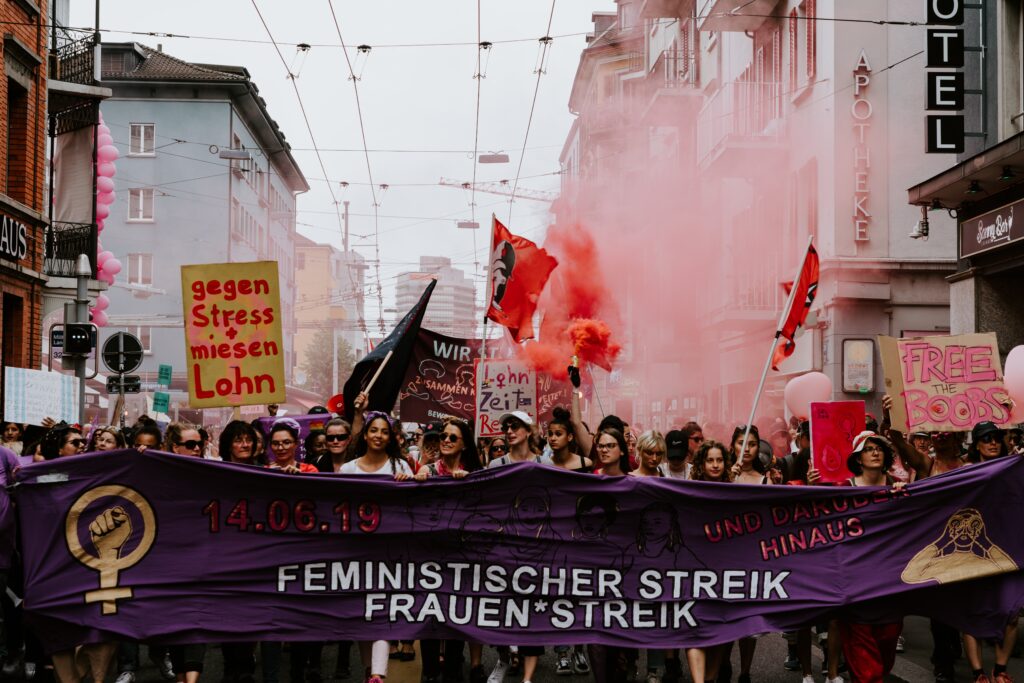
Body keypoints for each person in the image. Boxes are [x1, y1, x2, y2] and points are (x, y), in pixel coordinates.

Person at [413, 418, 486, 683]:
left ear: (464, 444)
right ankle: (430, 674)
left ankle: (454, 672)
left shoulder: (477, 474)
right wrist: (412, 480)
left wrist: (470, 485)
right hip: (430, 559)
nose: (445, 440)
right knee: (429, 619)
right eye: (444, 436)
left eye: (452, 437)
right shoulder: (428, 471)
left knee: (457, 618)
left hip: (462, 560)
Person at [828, 431, 904, 683]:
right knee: (867, 672)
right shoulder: (843, 490)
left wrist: (905, 499)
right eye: (868, 448)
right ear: (858, 458)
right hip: (856, 588)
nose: (875, 452)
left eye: (879, 448)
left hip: (890, 586)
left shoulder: (898, 486)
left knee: (884, 657)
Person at [961, 421, 1019, 683]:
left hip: (1008, 548)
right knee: (972, 611)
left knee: (1011, 610)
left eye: (996, 437)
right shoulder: (965, 472)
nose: (992, 442)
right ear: (977, 444)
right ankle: (979, 673)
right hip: (973, 552)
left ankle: (1000, 669)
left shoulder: (1014, 468)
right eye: (986, 438)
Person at [686, 440, 731, 683]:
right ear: (702, 464)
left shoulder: (736, 493)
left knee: (722, 631)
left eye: (720, 460)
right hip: (694, 569)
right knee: (694, 628)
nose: (715, 465)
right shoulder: (687, 491)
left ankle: (710, 678)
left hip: (724, 572)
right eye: (710, 460)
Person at [540, 407, 590, 473]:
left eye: (558, 434)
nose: (553, 438)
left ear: (569, 437)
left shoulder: (584, 463)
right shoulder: (544, 465)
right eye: (550, 434)